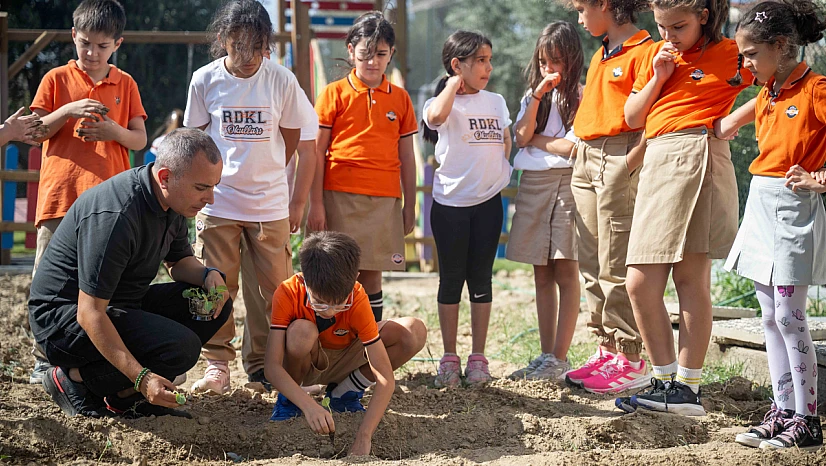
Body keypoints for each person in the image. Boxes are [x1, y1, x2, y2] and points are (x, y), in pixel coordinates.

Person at [29, 128, 230, 419]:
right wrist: (143, 378)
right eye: (202, 188)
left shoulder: (173, 200)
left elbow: (179, 262)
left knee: (210, 302)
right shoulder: (117, 216)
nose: (210, 198)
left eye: (214, 186)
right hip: (64, 321)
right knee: (181, 348)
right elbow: (90, 314)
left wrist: (209, 275)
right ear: (165, 177)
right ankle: (72, 380)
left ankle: (125, 396)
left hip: (117, 304)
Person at [616, 0, 754, 416]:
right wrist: (659, 75)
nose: (669, 35)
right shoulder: (661, 56)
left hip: (696, 153)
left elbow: (776, 84)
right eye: (661, 26)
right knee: (640, 283)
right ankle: (667, 380)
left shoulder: (731, 52)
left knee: (686, 278)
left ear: (704, 18)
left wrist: (732, 122)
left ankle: (684, 386)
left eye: (678, 26)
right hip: (659, 159)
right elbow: (632, 115)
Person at [184, 0, 317, 395]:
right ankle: (217, 365)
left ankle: (262, 366)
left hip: (269, 206)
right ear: (223, 40)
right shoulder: (204, 80)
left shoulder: (281, 80)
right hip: (218, 202)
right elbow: (194, 142)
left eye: (256, 47)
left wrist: (296, 201)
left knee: (274, 292)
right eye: (237, 46)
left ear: (267, 46)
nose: (246, 57)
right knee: (216, 284)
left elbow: (300, 142)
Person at [716, 0, 825, 451]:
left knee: (789, 315)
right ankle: (782, 411)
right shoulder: (766, 93)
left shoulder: (817, 89)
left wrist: (821, 178)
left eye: (750, 55)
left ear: (781, 47)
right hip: (761, 204)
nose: (744, 64)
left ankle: (808, 419)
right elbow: (721, 127)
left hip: (793, 210)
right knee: (767, 315)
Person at [28, 0, 147, 384]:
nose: (92, 53)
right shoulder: (55, 79)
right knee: (49, 281)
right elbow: (34, 131)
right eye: (84, 44)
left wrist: (114, 133)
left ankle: (99, 356)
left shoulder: (126, 83)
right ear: (73, 38)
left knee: (104, 284)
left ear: (117, 44)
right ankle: (42, 359)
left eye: (101, 45)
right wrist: (69, 110)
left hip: (110, 207)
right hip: (60, 198)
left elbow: (139, 139)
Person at [265, 231, 427, 456]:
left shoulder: (357, 296)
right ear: (304, 279)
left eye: (339, 303)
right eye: (320, 303)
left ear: (355, 278)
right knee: (301, 332)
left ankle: (344, 393)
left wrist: (364, 436)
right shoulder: (288, 292)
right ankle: (290, 401)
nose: (330, 311)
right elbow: (271, 367)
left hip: (345, 357)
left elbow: (385, 377)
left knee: (413, 331)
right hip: (305, 363)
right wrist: (309, 405)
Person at [565, 0, 653, 394]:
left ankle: (631, 356)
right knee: (590, 259)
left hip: (619, 153)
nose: (579, 18)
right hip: (585, 155)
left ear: (605, 4)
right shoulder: (602, 52)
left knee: (615, 260)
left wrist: (629, 161)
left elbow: (651, 116)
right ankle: (605, 347)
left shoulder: (646, 50)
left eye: (583, 8)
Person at [308, 12, 418, 323]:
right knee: (335, 274)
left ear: (391, 54)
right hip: (337, 196)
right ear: (350, 50)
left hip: (384, 200)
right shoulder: (332, 94)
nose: (372, 61)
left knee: (372, 277)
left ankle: (367, 349)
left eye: (380, 54)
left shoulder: (401, 99)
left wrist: (409, 205)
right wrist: (315, 203)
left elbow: (408, 157)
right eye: (365, 53)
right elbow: (317, 150)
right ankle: (330, 345)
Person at [422, 31, 512, 388]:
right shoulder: (444, 101)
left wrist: (494, 172)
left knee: (481, 279)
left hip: (489, 204)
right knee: (451, 279)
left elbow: (504, 140)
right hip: (450, 207)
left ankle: (478, 358)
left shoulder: (496, 101)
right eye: (480, 60)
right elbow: (435, 117)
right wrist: (454, 83)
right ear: (458, 64)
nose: (488, 67)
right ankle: (449, 358)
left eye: (490, 59)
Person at [506, 22, 583, 382]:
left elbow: (571, 148)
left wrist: (538, 140)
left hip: (568, 184)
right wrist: (537, 96)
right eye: (542, 61)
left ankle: (560, 356)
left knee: (566, 269)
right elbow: (521, 137)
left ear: (571, 60)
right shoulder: (530, 98)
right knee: (540, 271)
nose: (549, 69)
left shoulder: (582, 95)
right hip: (532, 183)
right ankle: (545, 354)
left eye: (555, 61)